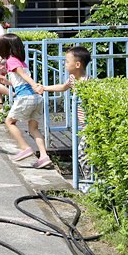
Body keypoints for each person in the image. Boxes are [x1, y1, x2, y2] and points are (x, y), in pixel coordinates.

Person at [0, 33, 53, 169]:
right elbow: (21, 82)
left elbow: (23, 76)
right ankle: (44, 156)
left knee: (9, 122)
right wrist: (7, 82)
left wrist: (35, 85)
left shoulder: (11, 60)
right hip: (36, 99)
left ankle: (24, 147)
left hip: (26, 98)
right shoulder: (21, 61)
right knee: (33, 128)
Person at [40, 45, 92, 178]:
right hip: (84, 125)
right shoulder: (73, 79)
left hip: (91, 125)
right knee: (86, 153)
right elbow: (63, 87)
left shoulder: (87, 83)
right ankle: (91, 179)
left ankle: (91, 181)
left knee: (82, 153)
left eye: (67, 62)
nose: (65, 64)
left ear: (78, 64)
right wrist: (45, 88)